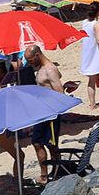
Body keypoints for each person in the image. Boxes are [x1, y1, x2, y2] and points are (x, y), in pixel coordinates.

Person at [23, 47, 65, 180]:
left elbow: (60, 93)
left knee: (51, 144)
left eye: (30, 60)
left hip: (51, 113)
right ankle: (45, 173)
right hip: (43, 112)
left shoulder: (49, 69)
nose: (29, 63)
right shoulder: (43, 68)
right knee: (37, 142)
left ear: (37, 55)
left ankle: (56, 172)